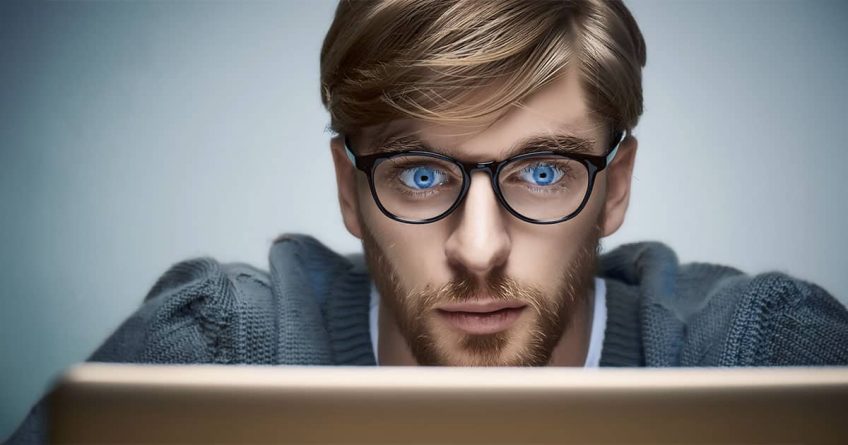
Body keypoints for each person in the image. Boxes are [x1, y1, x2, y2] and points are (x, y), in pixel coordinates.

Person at [7, 0, 848, 443]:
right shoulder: (218, 352)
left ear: (615, 185)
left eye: (543, 170)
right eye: (418, 172)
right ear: (349, 188)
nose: (477, 248)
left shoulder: (766, 355)